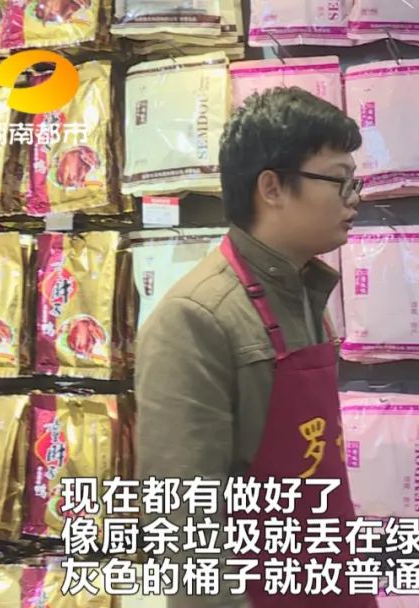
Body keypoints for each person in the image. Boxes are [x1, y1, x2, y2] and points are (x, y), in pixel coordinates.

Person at [134, 88, 372, 608]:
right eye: (339, 180)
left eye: (354, 182)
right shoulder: (195, 319)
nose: (354, 198)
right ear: (272, 187)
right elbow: (184, 529)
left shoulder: (307, 295)